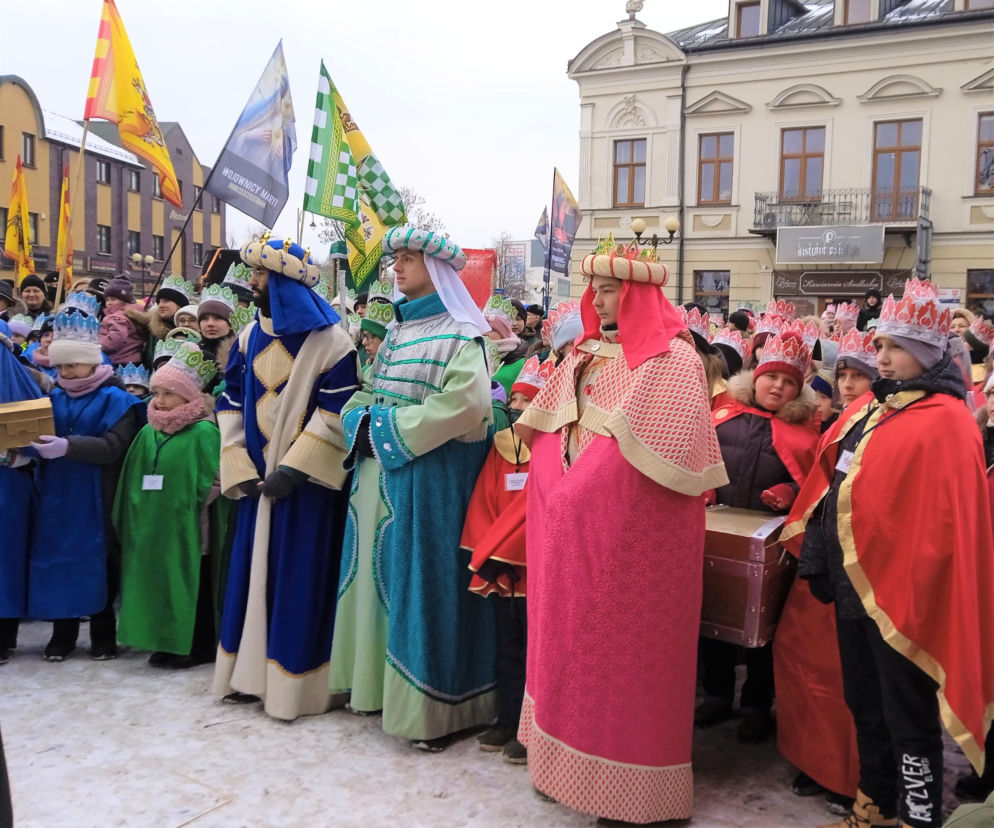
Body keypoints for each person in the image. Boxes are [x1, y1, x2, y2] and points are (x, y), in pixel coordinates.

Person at [515, 241, 726, 824]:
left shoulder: (674, 362)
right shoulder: (583, 353)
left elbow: (638, 459)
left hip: (635, 546)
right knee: (566, 646)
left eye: (610, 290)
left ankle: (630, 789)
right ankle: (561, 765)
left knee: (626, 659)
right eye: (597, 289)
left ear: (637, 293)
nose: (598, 300)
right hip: (571, 532)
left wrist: (577, 496)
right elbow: (548, 428)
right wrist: (558, 492)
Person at [785, 279, 994, 828]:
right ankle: (874, 805)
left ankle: (917, 817)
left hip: (909, 598)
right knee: (866, 706)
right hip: (858, 591)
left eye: (892, 348)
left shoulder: (948, 422)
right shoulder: (876, 411)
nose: (880, 357)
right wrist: (819, 559)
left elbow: (946, 523)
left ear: (924, 354)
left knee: (908, 715)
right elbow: (836, 489)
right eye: (878, 346)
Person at [329, 226, 496, 752]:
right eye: (395, 260)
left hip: (429, 479)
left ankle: (430, 708)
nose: (396, 269)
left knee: (421, 583)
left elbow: (468, 405)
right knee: (377, 576)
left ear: (438, 269)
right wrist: (360, 418)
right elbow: (370, 389)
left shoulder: (463, 332)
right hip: (383, 473)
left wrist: (387, 431)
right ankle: (375, 688)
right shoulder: (398, 331)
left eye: (406, 260)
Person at [213, 236, 359, 721]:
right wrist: (240, 463)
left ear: (281, 282)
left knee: (298, 578)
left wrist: (294, 470)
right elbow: (230, 401)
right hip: (258, 485)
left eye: (258, 275)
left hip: (306, 492)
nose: (251, 283)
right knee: (251, 576)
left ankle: (294, 684)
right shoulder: (247, 337)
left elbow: (338, 410)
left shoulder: (333, 342)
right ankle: (248, 674)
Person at [699, 328, 819, 744]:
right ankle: (716, 694)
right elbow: (702, 454)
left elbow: (812, 484)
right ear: (756, 377)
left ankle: (756, 703)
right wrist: (706, 484)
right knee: (713, 615)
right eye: (772, 377)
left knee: (763, 627)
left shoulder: (806, 431)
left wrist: (789, 495)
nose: (778, 387)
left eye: (789, 383)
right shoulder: (725, 413)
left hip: (771, 543)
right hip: (718, 531)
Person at [24, 301, 143, 661]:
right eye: (60, 365)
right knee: (59, 561)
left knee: (100, 564)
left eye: (72, 364)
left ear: (93, 361)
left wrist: (68, 446)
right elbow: (35, 438)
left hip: (97, 497)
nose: (66, 372)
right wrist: (22, 451)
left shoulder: (119, 400)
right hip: (57, 498)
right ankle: (63, 635)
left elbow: (114, 446)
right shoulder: (51, 397)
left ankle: (104, 635)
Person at [462, 355, 553, 765]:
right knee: (509, 648)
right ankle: (508, 717)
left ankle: (533, 728)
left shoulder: (551, 453)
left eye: (525, 401)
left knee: (538, 651)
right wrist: (486, 550)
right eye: (513, 399)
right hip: (504, 574)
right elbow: (484, 501)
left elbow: (535, 511)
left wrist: (500, 551)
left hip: (536, 571)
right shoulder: (500, 451)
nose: (515, 407)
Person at [115, 343, 220, 669]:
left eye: (167, 394)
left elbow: (217, 478)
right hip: (153, 525)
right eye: (155, 392)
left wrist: (196, 503)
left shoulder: (203, 431)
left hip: (190, 525)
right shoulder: (148, 432)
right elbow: (133, 476)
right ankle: (164, 640)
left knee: (191, 584)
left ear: (188, 397)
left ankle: (195, 645)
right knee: (158, 581)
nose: (158, 400)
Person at [0, 319, 50, 665]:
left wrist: (14, 454)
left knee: (6, 560)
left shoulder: (19, 379)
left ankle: (3, 635)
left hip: (7, 488)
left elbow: (37, 440)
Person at [128, 276, 195, 368]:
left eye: (166, 301)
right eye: (159, 302)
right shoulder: (154, 331)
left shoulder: (193, 330)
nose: (161, 305)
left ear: (180, 304)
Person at [98, 276, 145, 367]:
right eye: (107, 300)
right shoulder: (133, 314)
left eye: (113, 299)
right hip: (132, 358)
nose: (109, 303)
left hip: (118, 359)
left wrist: (98, 345)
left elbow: (115, 339)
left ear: (124, 300)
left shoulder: (117, 317)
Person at [540, 299, 582, 365]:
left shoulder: (596, 370)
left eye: (584, 340)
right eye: (572, 342)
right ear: (560, 348)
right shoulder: (551, 373)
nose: (580, 347)